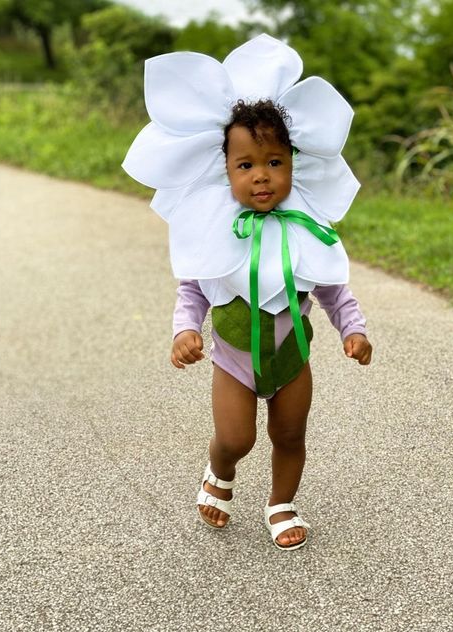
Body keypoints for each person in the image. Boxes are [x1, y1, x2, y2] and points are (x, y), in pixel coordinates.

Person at [122, 34, 373, 550]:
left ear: (293, 162)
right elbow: (193, 285)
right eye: (246, 166)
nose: (262, 176)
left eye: (274, 162)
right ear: (225, 169)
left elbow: (331, 285)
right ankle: (220, 470)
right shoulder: (213, 226)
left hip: (293, 356)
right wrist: (184, 330)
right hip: (233, 359)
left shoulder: (307, 225)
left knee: (289, 435)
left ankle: (281, 502)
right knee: (238, 437)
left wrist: (354, 329)